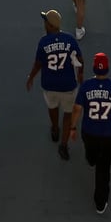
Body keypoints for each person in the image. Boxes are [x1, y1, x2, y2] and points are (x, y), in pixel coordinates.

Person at [70, 52, 111, 215]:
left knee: (91, 153)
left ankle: (90, 158)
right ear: (107, 68)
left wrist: (72, 128)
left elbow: (77, 109)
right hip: (108, 134)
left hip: (89, 131)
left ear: (94, 68)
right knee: (103, 169)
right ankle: (100, 202)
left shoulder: (86, 86)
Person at [26, 9, 83, 161]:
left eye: (45, 21)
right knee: (67, 114)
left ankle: (55, 129)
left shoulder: (43, 42)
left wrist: (31, 77)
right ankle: (63, 145)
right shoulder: (70, 40)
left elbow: (38, 63)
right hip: (68, 85)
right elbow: (80, 59)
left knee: (52, 107)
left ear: (50, 26)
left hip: (49, 84)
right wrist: (80, 74)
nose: (44, 23)